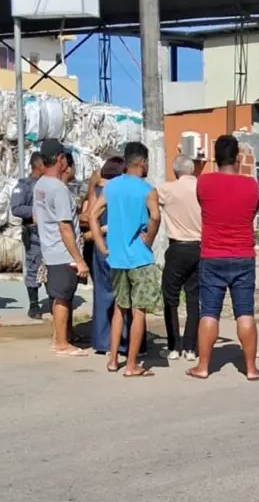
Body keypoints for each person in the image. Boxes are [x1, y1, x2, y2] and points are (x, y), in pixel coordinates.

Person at [187, 135, 259, 381]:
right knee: (245, 313)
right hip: (243, 255)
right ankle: (251, 369)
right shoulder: (252, 185)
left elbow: (202, 204)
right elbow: (254, 211)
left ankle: (203, 366)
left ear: (214, 158)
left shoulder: (204, 183)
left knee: (209, 312)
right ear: (238, 158)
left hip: (212, 256)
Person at [90, 142, 160, 377]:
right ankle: (131, 364)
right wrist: (149, 239)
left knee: (120, 308)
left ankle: (112, 359)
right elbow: (156, 217)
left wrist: (101, 245)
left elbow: (92, 214)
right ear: (143, 162)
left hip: (116, 258)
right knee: (138, 311)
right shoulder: (147, 189)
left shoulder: (111, 187)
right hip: (139, 258)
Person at [82, 157, 147, 356]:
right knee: (127, 296)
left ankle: (103, 342)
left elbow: (88, 215)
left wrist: (99, 237)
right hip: (124, 245)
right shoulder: (126, 191)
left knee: (103, 293)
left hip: (102, 245)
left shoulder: (99, 191)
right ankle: (127, 342)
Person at [33, 139, 89, 357]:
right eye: (65, 157)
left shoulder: (40, 185)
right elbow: (65, 227)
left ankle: (59, 337)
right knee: (64, 297)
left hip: (49, 248)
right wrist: (79, 259)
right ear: (59, 159)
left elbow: (37, 218)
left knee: (58, 296)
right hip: (63, 251)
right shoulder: (59, 189)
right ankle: (62, 343)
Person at [158, 154, 203, 361]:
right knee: (194, 298)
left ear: (175, 171)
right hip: (199, 247)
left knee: (171, 297)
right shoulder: (203, 187)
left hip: (177, 247)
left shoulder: (167, 189)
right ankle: (191, 348)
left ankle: (174, 346)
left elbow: (148, 197)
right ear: (192, 169)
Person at [10, 151, 45, 319]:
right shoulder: (24, 185)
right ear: (38, 166)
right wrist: (37, 212)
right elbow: (16, 208)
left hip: (49, 233)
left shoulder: (50, 184)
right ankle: (34, 304)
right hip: (34, 233)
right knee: (33, 267)